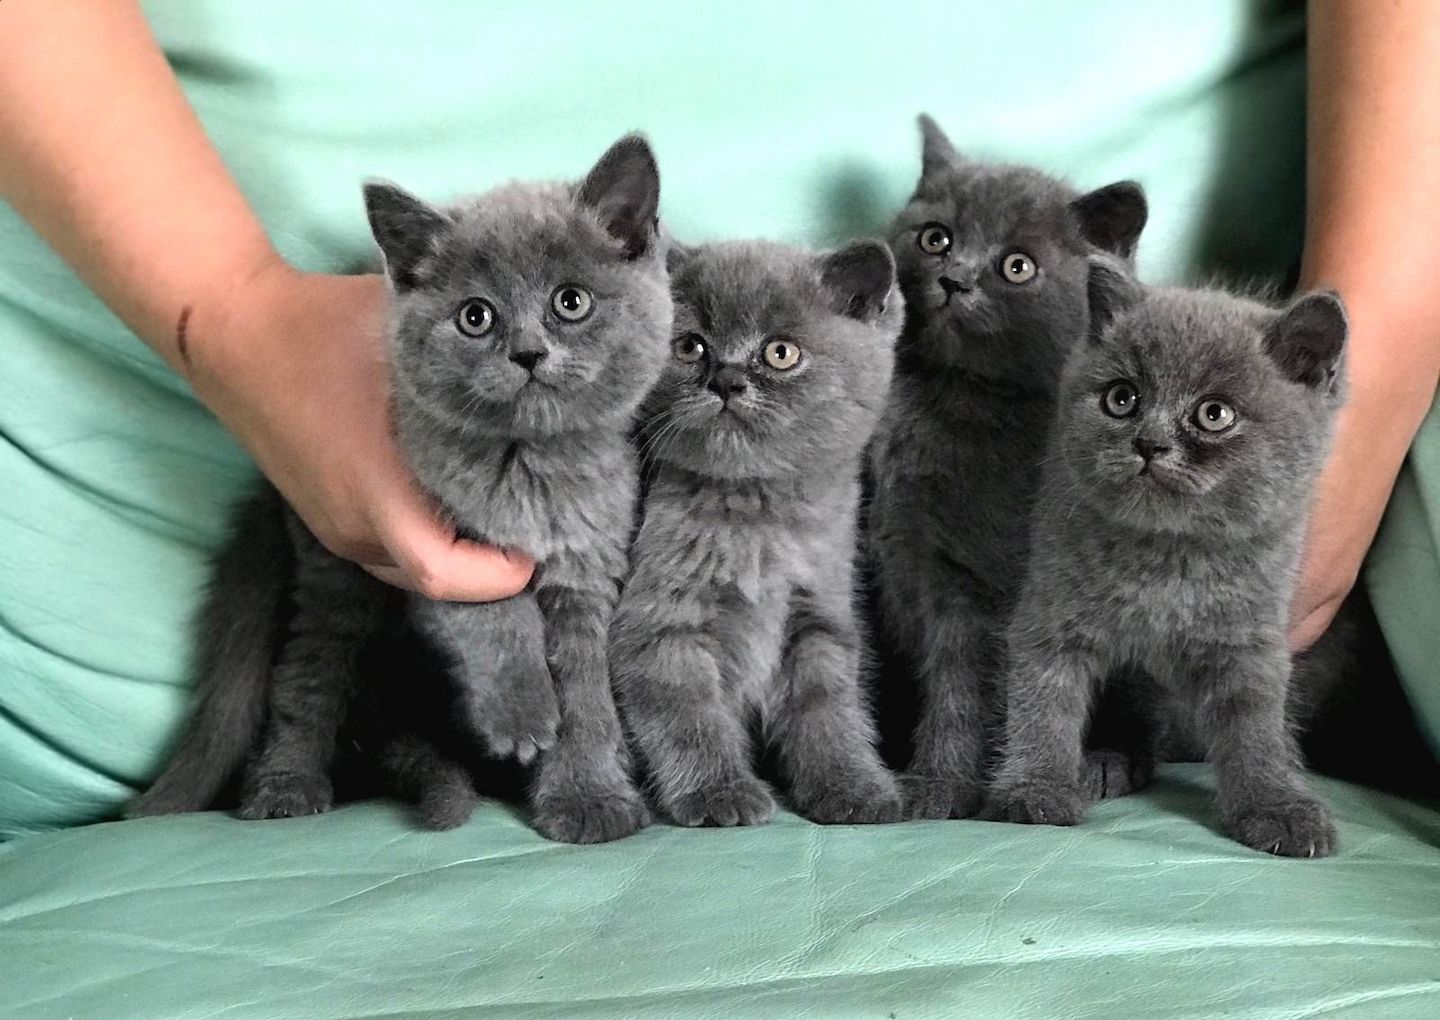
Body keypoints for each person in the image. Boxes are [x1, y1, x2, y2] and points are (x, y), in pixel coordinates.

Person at [1, 1, 1435, 837]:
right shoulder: (650, 388)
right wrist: (228, 313)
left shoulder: (973, 388)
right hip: (310, 403)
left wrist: (1337, 432)